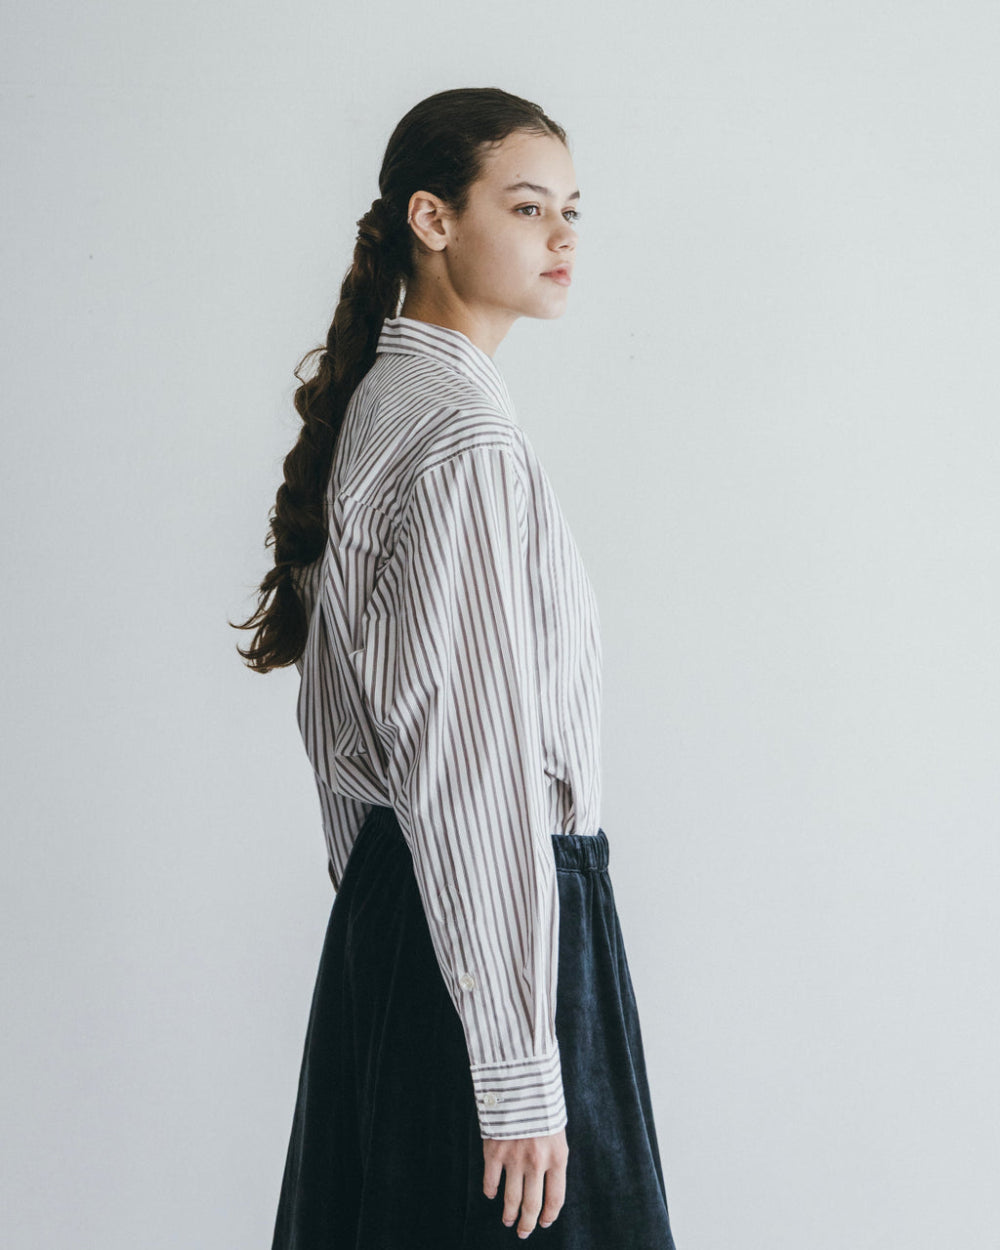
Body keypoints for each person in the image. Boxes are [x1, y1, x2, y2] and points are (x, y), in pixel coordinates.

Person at [233, 86, 679, 1248]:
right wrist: (522, 1067)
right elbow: (468, 757)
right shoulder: (462, 439)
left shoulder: (391, 406)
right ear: (432, 219)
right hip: (494, 947)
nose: (563, 237)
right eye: (528, 207)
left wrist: (389, 910)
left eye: (572, 209)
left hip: (415, 928)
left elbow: (348, 739)